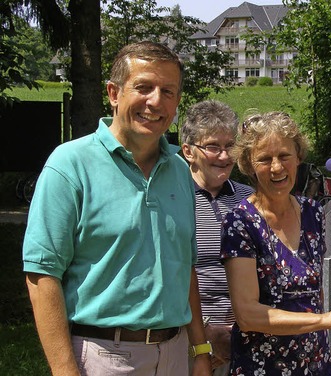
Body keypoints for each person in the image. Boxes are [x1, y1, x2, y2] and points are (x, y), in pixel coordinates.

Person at [23, 41, 211, 376]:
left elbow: (186, 269)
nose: (156, 101)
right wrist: (65, 371)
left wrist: (200, 351)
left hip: (175, 354)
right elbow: (42, 275)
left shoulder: (181, 171)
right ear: (113, 93)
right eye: (144, 87)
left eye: (168, 91)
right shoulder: (70, 165)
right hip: (104, 357)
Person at [221, 112, 331, 375]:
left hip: (315, 361)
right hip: (263, 366)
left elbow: (314, 291)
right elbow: (247, 315)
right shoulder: (240, 223)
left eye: (284, 156)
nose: (276, 167)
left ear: (298, 157)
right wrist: (324, 320)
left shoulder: (313, 212)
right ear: (249, 165)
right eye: (264, 159)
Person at [180, 100, 253, 375]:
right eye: (213, 146)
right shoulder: (174, 197)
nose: (224, 156)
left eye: (230, 146)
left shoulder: (249, 199)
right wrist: (206, 332)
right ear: (188, 151)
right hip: (191, 333)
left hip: (246, 332)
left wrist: (240, 329)